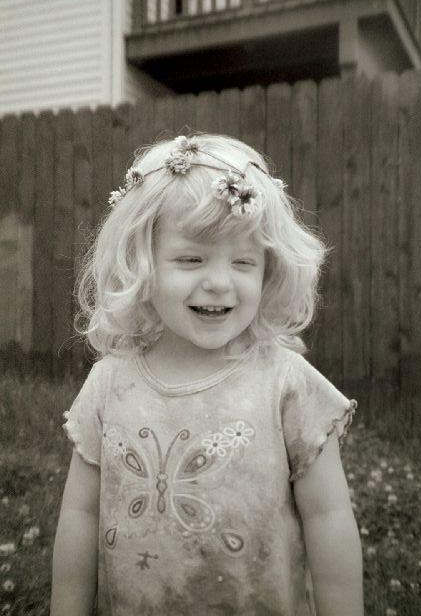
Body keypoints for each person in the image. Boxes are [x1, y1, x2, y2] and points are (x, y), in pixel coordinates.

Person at [51, 133, 363, 616]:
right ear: (141, 263)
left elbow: (328, 516)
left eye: (243, 262)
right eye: (191, 259)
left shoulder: (286, 383)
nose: (219, 281)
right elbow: (81, 514)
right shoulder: (110, 384)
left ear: (269, 269)